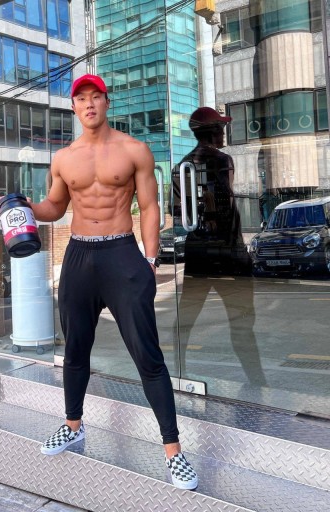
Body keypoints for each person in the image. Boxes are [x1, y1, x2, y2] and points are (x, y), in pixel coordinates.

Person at [28, 74, 198, 490]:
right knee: (75, 352)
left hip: (122, 254)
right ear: (73, 107)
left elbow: (150, 206)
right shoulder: (63, 158)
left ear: (107, 102)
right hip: (78, 257)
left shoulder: (134, 150)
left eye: (95, 97)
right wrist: (27, 206)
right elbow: (55, 206)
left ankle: (173, 451)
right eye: (81, 98)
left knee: (148, 356)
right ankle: (73, 425)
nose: (89, 104)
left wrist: (150, 259)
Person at [172, 107, 267, 387]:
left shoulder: (181, 167)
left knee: (186, 318)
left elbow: (176, 212)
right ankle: (257, 381)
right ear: (212, 131)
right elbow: (225, 204)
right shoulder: (222, 160)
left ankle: (178, 373)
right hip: (227, 252)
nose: (224, 132)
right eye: (221, 128)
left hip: (198, 252)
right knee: (242, 322)